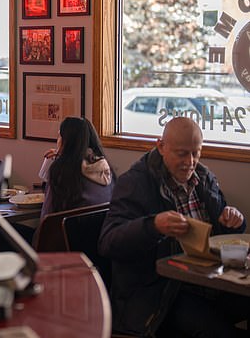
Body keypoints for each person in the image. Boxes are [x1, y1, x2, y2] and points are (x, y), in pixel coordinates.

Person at [98, 117, 246, 337]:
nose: (190, 162)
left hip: (208, 282)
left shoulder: (203, 178)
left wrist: (235, 221)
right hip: (159, 294)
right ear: (161, 146)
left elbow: (220, 237)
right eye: (182, 153)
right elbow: (108, 243)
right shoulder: (135, 183)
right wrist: (153, 226)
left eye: (196, 153)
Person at [39, 117, 114, 217]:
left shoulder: (63, 172)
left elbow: (46, 216)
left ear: (65, 141)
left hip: (65, 231)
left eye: (59, 136)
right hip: (100, 231)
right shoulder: (106, 169)